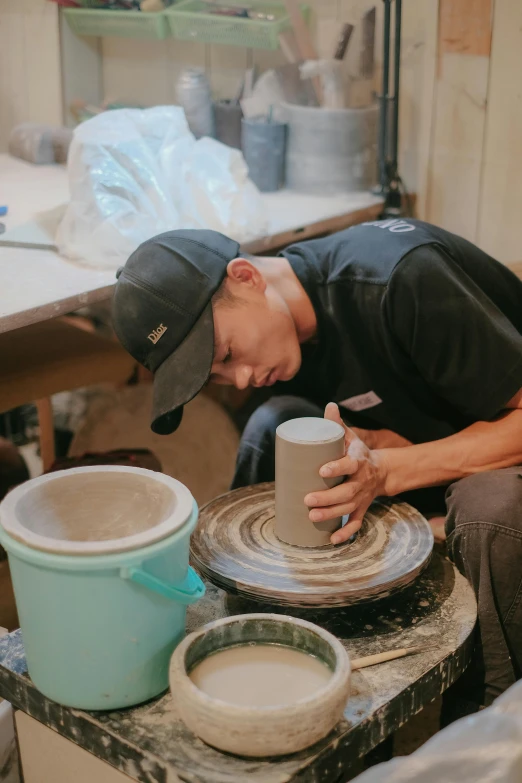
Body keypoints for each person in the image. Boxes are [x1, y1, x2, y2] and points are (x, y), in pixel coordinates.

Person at [112, 219, 522, 711]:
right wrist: (377, 446)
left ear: (246, 277)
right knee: (275, 426)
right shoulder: (286, 332)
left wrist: (389, 469)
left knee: (486, 508)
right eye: (215, 375)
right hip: (435, 452)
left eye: (227, 353)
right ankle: (268, 658)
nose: (240, 379)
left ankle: (480, 725)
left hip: (503, 460)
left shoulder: (401, 278)